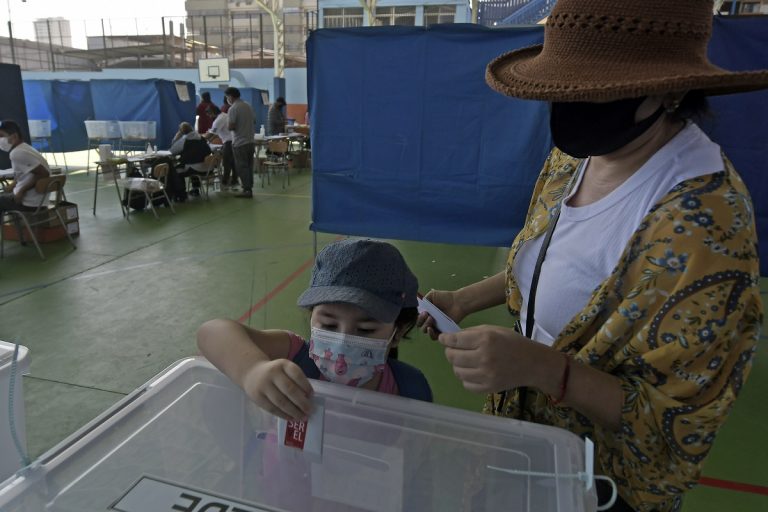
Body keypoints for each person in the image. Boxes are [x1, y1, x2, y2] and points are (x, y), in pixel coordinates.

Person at [418, 1, 767, 511]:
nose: (575, 101)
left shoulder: (703, 222)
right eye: (564, 84)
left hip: (601, 487)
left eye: (601, 89)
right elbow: (553, 259)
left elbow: (674, 423)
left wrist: (546, 371)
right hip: (526, 449)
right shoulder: (576, 159)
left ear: (671, 89)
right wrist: (464, 298)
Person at [198, 238, 433, 422]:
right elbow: (211, 332)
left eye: (365, 330)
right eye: (329, 325)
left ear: (397, 332)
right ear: (312, 317)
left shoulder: (409, 389)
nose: (343, 341)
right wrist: (252, 370)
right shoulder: (296, 357)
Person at [0, 120, 50, 234]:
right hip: (41, 201)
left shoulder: (17, 153)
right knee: (3, 196)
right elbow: (24, 174)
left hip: (29, 203)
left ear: (14, 136)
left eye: (2, 136)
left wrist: (21, 191)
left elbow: (43, 173)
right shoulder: (26, 148)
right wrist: (13, 185)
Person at [225, 86, 256, 198]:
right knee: (249, 166)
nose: (227, 99)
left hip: (239, 142)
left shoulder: (233, 108)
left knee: (242, 167)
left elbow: (231, 126)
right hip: (250, 140)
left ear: (231, 97)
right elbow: (254, 120)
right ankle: (249, 187)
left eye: (227, 97)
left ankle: (247, 190)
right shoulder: (248, 106)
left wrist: (228, 125)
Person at [170, 122, 212, 197]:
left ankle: (181, 193)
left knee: (176, 171)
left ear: (181, 131)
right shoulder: (201, 138)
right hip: (207, 167)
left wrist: (176, 138)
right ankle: (196, 189)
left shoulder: (185, 140)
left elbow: (172, 151)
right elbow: (209, 151)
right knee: (192, 164)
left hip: (194, 168)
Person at [204, 105, 237, 189]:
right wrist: (209, 141)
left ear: (212, 112)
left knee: (226, 162)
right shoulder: (224, 115)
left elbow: (211, 133)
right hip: (234, 140)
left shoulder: (218, 120)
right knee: (233, 162)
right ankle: (234, 180)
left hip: (229, 142)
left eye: (209, 115)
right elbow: (216, 134)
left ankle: (225, 181)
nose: (209, 117)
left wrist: (201, 138)